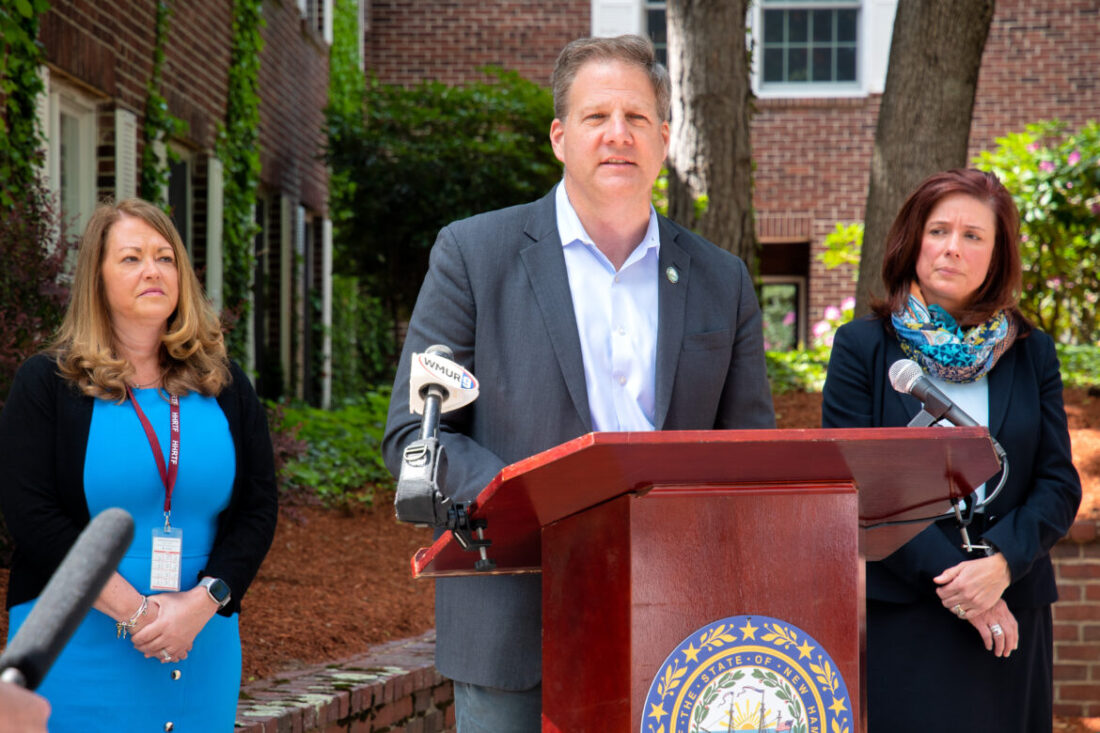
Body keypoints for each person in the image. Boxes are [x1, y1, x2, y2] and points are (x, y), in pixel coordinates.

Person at [382, 34, 775, 731]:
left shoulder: (723, 279)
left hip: (680, 621)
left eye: (635, 116)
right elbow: (417, 433)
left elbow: (749, 456)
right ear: (561, 137)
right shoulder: (475, 255)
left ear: (664, 137)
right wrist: (535, 505)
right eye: (596, 117)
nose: (617, 134)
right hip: (514, 623)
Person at [0, 198, 279, 731]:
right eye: (131, 258)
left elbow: (258, 509)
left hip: (201, 639)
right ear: (97, 280)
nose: (152, 270)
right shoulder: (46, 384)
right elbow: (31, 516)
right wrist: (138, 613)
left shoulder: (224, 385)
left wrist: (204, 602)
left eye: (165, 257)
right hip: (73, 643)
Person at [822, 169, 1081, 732]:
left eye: (973, 236)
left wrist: (1001, 567)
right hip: (907, 611)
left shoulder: (1031, 352)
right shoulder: (861, 349)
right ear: (913, 240)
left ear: (997, 254)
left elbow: (1059, 483)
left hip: (1014, 608)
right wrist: (963, 586)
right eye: (939, 230)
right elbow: (856, 487)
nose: (952, 248)